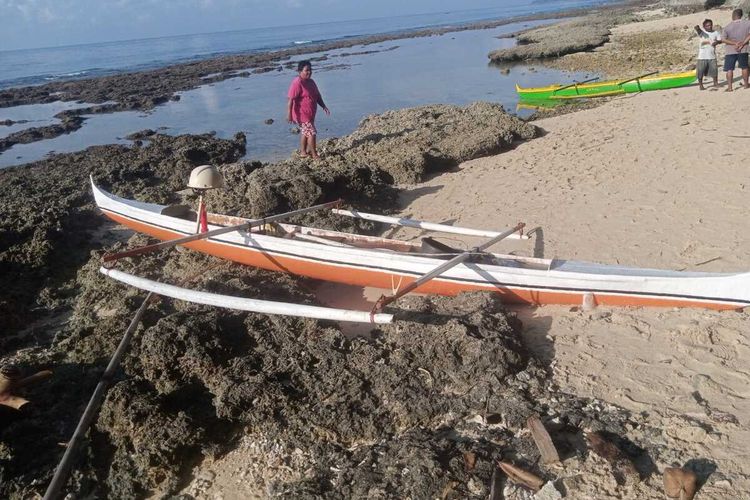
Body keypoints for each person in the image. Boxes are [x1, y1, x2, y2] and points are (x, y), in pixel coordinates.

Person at [286, 60, 330, 159]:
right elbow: (290, 100)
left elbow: (317, 96)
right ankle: (314, 155)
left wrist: (324, 106)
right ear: (300, 71)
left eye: (310, 70)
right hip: (301, 114)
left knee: (305, 132)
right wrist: (289, 115)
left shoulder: (311, 82)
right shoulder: (297, 83)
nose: (309, 72)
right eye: (306, 70)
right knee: (312, 133)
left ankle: (303, 152)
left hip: (310, 113)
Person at [719, 9, 750, 91]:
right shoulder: (747, 23)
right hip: (743, 49)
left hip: (730, 50)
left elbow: (723, 39)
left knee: (729, 69)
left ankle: (730, 87)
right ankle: (746, 85)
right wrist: (742, 43)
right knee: (744, 67)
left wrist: (734, 43)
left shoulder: (727, 26)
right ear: (741, 15)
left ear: (733, 15)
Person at [694, 19, 721, 90]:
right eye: (707, 26)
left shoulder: (716, 33)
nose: (709, 27)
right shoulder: (702, 33)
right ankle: (701, 85)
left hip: (712, 55)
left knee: (714, 70)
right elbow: (698, 30)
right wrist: (697, 28)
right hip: (702, 56)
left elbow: (719, 40)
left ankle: (715, 83)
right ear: (704, 27)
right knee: (700, 71)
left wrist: (716, 42)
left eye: (710, 25)